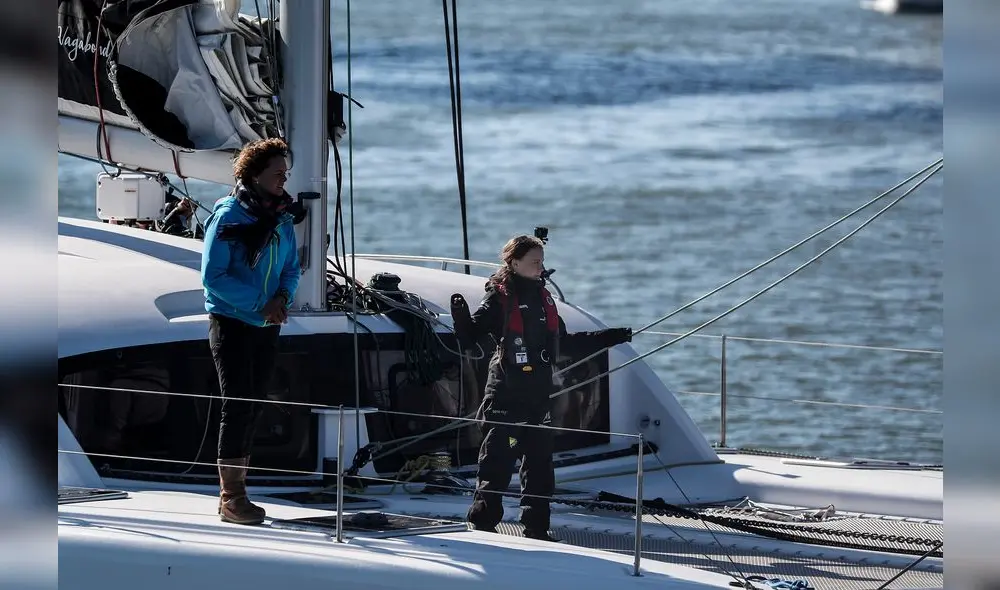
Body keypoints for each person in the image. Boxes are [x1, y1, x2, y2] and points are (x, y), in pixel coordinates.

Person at [450, 235, 632, 541]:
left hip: (538, 399)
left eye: (542, 261)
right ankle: (482, 525)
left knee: (539, 469)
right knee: (496, 464)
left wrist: (608, 337)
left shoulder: (544, 300)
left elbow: (565, 344)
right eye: (535, 261)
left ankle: (536, 528)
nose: (540, 266)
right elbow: (470, 337)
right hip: (506, 397)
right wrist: (460, 317)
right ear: (514, 263)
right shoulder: (499, 299)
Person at [201, 137, 301, 525]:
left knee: (254, 401)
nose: (283, 179)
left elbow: (292, 266)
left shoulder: (282, 217)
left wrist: (281, 298)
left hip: (265, 322)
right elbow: (213, 277)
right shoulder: (229, 217)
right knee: (237, 403)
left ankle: (238, 491)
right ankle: (231, 497)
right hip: (232, 321)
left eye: (285, 173)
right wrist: (261, 304)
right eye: (277, 173)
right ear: (254, 174)